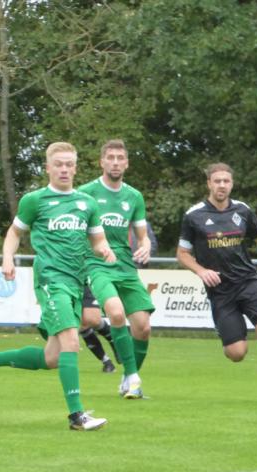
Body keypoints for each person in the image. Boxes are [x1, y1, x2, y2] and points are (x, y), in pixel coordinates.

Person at [0, 141, 116, 431]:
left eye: (69, 164)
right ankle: (76, 416)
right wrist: (7, 258)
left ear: (76, 168)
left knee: (52, 358)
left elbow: (98, 240)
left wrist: (104, 250)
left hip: (76, 283)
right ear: (48, 167)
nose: (64, 169)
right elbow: (14, 233)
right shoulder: (35, 200)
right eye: (58, 164)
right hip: (50, 281)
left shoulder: (87, 203)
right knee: (72, 341)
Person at [176, 162, 257, 405]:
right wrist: (201, 271)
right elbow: (182, 254)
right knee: (236, 354)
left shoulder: (242, 210)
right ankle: (226, 329)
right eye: (217, 181)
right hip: (220, 291)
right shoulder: (194, 216)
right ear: (209, 183)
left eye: (226, 181)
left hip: (248, 282)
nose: (222, 185)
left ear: (232, 184)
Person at [78, 139, 155, 399]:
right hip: (96, 264)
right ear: (101, 162)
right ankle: (134, 378)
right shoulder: (86, 193)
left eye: (120, 158)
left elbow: (142, 236)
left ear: (127, 163)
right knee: (115, 312)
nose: (115, 162)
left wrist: (145, 247)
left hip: (125, 266)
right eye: (110, 157)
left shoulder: (134, 196)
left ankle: (127, 378)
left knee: (143, 327)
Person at [79, 220, 159, 374]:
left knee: (92, 319)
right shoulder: (83, 207)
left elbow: (144, 237)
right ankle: (107, 361)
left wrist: (145, 248)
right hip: (82, 267)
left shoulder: (130, 206)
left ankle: (124, 364)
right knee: (84, 322)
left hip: (113, 267)